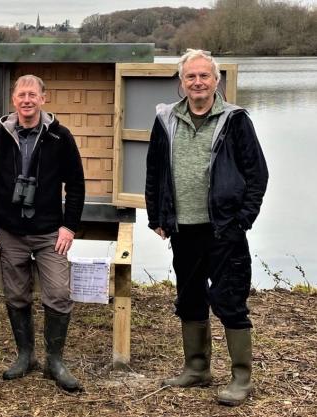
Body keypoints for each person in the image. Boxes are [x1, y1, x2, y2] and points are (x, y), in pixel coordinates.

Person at [145, 49, 268, 406]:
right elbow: (154, 170)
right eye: (190, 77)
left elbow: (257, 173)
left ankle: (240, 377)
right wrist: (157, 215)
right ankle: (197, 367)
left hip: (224, 229)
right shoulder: (165, 119)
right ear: (181, 83)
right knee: (189, 298)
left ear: (216, 81)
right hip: (183, 229)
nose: (197, 82)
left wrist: (244, 218)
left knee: (230, 300)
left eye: (204, 76)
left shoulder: (235, 120)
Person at [0, 74, 85, 393]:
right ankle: (25, 356)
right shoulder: (0, 136)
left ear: (43, 98)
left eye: (32, 95)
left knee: (58, 294)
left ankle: (55, 360)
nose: (27, 100)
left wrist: (69, 226)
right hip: (10, 231)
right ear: (13, 100)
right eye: (21, 95)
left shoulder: (60, 137)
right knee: (16, 294)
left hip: (50, 232)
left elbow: (77, 184)